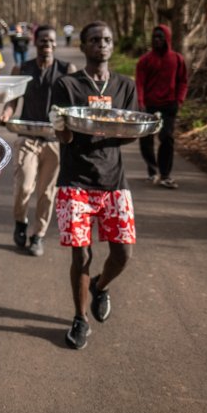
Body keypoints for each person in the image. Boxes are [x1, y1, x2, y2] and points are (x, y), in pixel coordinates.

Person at [49, 21, 137, 350]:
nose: (102, 44)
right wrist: (60, 127)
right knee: (81, 253)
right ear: (83, 46)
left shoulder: (125, 86)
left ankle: (100, 286)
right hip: (75, 180)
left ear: (112, 46)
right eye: (95, 40)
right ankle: (80, 318)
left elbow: (131, 130)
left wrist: (110, 130)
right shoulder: (67, 85)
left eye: (107, 39)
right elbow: (66, 136)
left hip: (114, 180)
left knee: (123, 253)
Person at [0, 25, 76, 257]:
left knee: (46, 193)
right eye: (43, 41)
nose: (47, 45)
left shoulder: (66, 69)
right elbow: (12, 100)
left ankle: (38, 235)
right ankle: (20, 222)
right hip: (28, 137)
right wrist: (6, 114)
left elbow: (74, 103)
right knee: (23, 187)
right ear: (35, 43)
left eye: (51, 41)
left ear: (55, 43)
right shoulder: (22, 68)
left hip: (54, 140)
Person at [136, 24, 188, 189]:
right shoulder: (145, 60)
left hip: (169, 105)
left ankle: (165, 174)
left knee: (167, 138)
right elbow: (140, 83)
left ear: (167, 39)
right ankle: (152, 171)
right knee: (146, 141)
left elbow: (183, 81)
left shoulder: (177, 59)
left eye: (160, 37)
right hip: (149, 106)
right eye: (155, 37)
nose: (157, 40)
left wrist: (179, 100)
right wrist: (141, 102)